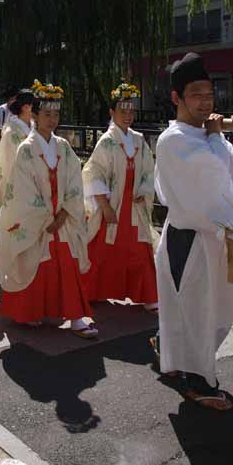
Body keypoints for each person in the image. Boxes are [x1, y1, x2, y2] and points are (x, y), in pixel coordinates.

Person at [153, 52, 233, 411]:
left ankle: (170, 350)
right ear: (176, 98)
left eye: (209, 94)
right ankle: (199, 382)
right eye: (196, 94)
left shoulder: (208, 137)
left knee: (216, 310)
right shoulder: (174, 139)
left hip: (217, 238)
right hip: (190, 239)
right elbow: (212, 179)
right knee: (197, 311)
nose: (205, 102)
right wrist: (217, 138)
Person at [0, 80, 97, 338]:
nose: (52, 120)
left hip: (62, 219)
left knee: (67, 264)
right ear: (35, 115)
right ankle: (33, 312)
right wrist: (45, 217)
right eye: (46, 114)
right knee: (38, 265)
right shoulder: (26, 149)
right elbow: (22, 190)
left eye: (56, 114)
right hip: (38, 222)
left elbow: (75, 180)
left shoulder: (63, 146)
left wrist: (64, 213)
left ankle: (76, 317)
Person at [83, 82, 158, 312]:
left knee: (138, 250)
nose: (127, 116)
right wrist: (104, 206)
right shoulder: (106, 141)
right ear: (112, 113)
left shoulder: (138, 140)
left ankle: (147, 295)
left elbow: (148, 170)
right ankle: (92, 291)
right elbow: (93, 172)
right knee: (104, 251)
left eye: (131, 111)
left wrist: (144, 190)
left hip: (134, 204)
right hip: (113, 204)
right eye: (122, 111)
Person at [0, 89, 35, 208]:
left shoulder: (36, 127)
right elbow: (9, 162)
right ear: (26, 107)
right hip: (19, 181)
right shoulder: (11, 132)